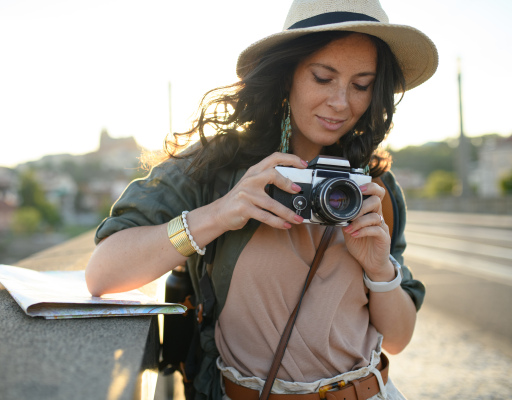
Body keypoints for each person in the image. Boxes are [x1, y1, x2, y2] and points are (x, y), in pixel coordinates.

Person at [86, 0, 438, 399]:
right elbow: (103, 273)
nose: (341, 103)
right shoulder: (218, 166)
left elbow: (398, 338)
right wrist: (219, 214)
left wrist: (379, 269)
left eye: (361, 85)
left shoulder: (376, 189)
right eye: (323, 78)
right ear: (287, 73)